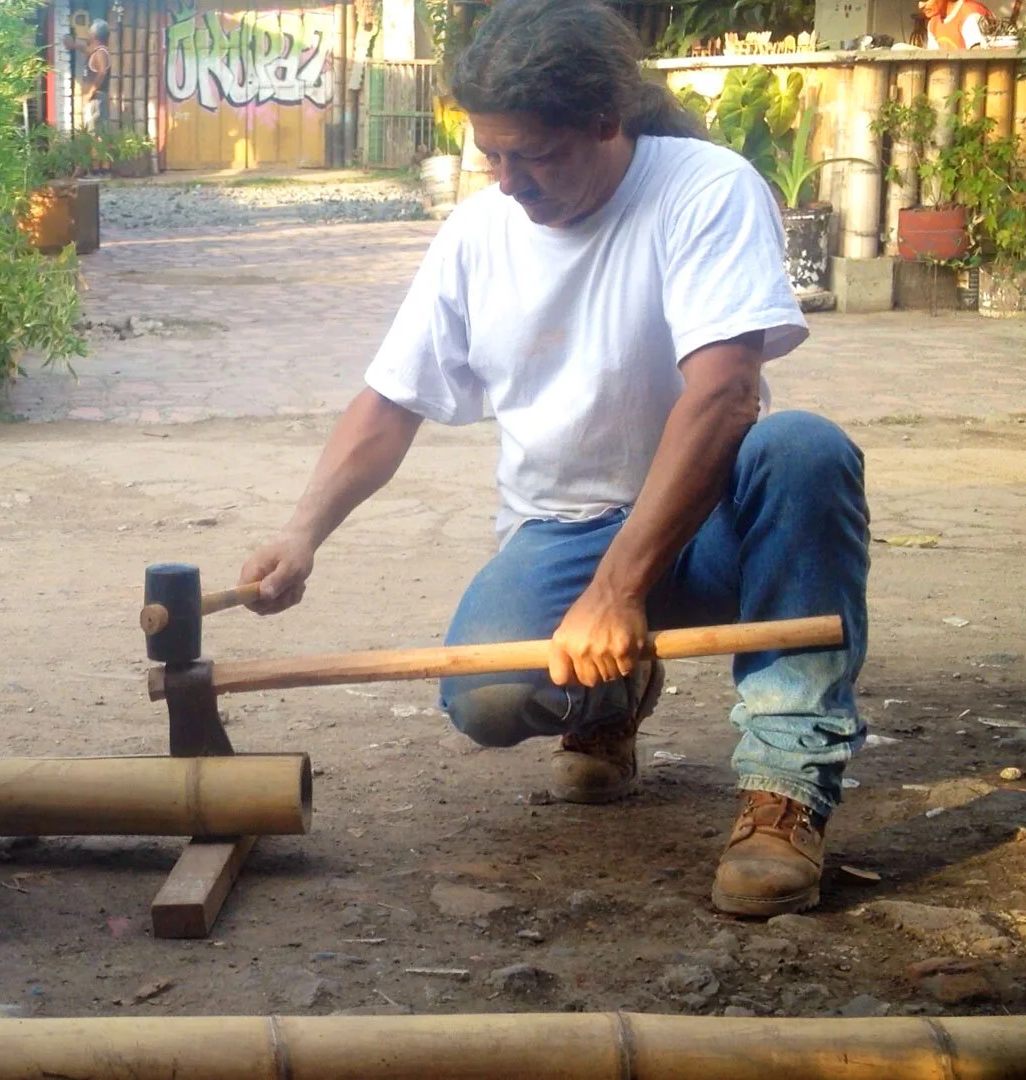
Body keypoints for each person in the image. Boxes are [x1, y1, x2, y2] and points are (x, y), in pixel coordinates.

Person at [237, 0, 868, 918]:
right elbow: (392, 399)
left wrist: (617, 592)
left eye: (533, 154)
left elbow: (727, 394)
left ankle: (785, 788)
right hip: (564, 528)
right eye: (492, 153)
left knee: (802, 449)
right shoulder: (477, 232)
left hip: (716, 519)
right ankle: (608, 700)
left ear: (607, 122)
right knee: (485, 697)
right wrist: (301, 535)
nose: (508, 181)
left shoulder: (704, 187)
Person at [61, 19, 113, 131]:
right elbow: (86, 49)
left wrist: (90, 93)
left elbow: (102, 72)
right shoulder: (96, 51)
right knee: (92, 130)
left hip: (97, 98)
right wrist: (74, 45)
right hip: (95, 98)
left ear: (94, 35)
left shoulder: (100, 53)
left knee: (96, 132)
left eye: (90, 32)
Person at [921, 0, 990, 49]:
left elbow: (978, 61)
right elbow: (934, 63)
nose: (920, 6)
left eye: (925, 0)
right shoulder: (933, 24)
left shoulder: (969, 14)